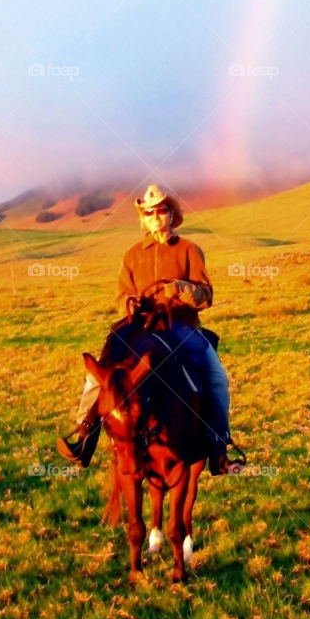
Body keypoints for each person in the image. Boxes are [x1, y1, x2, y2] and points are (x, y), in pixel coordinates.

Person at [65, 184, 231, 474]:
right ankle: (85, 435)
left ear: (171, 215)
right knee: (99, 372)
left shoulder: (189, 250)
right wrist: (128, 303)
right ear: (143, 217)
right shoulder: (132, 255)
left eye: (161, 210)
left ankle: (218, 446)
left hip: (180, 325)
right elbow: (120, 295)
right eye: (149, 212)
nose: (155, 216)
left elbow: (206, 295)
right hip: (140, 326)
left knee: (216, 378)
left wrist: (181, 289)